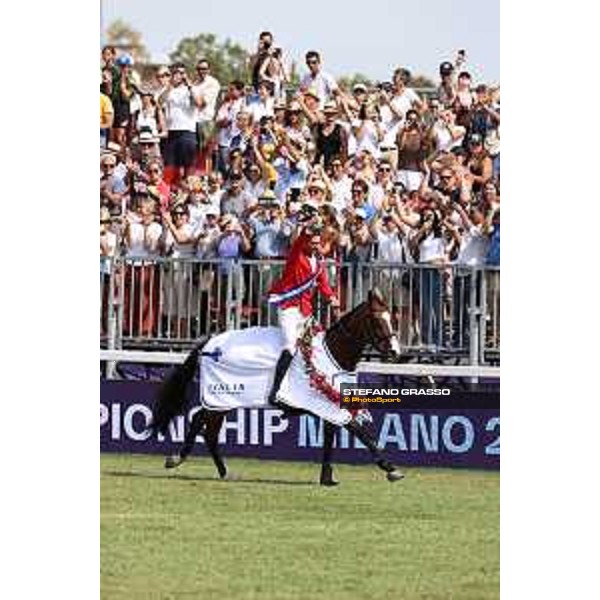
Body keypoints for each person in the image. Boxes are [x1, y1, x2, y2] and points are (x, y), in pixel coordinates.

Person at [266, 208, 339, 405]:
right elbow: (300, 238)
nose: (315, 246)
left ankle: (311, 386)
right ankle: (276, 390)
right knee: (290, 345)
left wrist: (331, 298)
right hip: (289, 307)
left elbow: (323, 284)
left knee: (315, 345)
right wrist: (307, 223)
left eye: (318, 243)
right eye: (312, 243)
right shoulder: (296, 254)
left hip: (305, 310)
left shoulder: (319, 262)